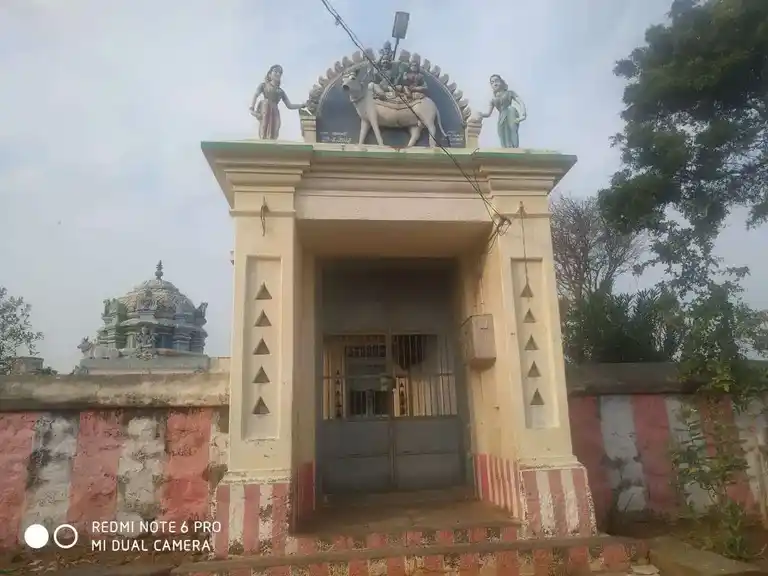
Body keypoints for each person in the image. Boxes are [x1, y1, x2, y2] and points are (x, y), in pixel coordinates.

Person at [249, 65, 306, 140]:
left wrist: (302, 105)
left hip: (275, 113)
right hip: (265, 110)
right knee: (264, 129)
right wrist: (252, 109)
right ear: (270, 74)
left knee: (274, 131)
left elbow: (289, 105)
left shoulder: (280, 91)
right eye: (275, 71)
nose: (278, 74)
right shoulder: (263, 85)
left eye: (280, 73)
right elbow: (255, 95)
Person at [477, 74, 527, 148]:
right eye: (492, 82)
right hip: (501, 117)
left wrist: (523, 113)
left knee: (512, 130)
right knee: (502, 135)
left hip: (511, 112)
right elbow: (488, 114)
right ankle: (507, 151)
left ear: (501, 82)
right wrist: (480, 114)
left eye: (497, 81)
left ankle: (515, 149)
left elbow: (520, 102)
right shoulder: (493, 100)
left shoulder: (509, 93)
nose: (495, 84)